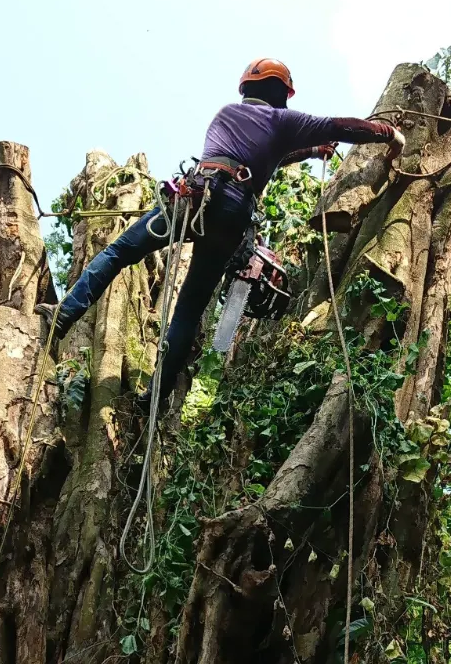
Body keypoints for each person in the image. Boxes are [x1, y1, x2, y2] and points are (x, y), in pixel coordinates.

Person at [37, 58, 405, 413]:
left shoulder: (227, 114)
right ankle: (155, 397)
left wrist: (309, 151)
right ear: (282, 93)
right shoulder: (281, 121)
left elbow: (267, 151)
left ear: (248, 87)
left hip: (195, 198)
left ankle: (64, 316)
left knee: (120, 253)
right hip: (231, 214)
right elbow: (337, 126)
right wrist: (389, 134)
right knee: (187, 310)